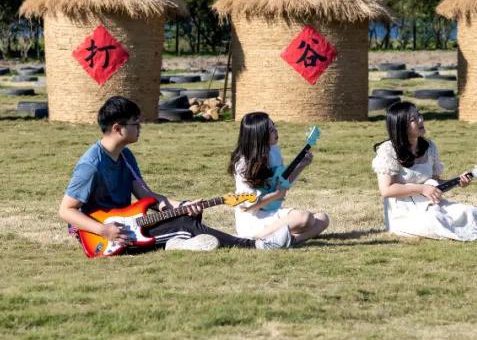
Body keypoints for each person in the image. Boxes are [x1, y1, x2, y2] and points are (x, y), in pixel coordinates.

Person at [59, 96, 292, 253]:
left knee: (189, 217)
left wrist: (184, 203)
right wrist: (104, 230)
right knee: (184, 224)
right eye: (135, 123)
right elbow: (66, 210)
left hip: (129, 219)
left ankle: (177, 242)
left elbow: (146, 195)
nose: (140, 127)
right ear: (118, 128)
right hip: (105, 235)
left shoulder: (126, 157)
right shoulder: (90, 164)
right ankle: (256, 246)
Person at [372, 101, 477, 241]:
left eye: (419, 115)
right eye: (413, 119)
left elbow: (434, 184)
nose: (420, 120)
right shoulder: (388, 150)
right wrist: (422, 188)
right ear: (401, 127)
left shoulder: (429, 147)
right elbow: (387, 190)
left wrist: (457, 182)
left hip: (431, 205)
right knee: (436, 221)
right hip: (403, 213)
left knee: (470, 211)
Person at [227, 112, 330, 243]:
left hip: (273, 212)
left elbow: (281, 182)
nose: (275, 131)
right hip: (253, 219)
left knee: (323, 218)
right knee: (305, 218)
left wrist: (301, 165)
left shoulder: (273, 150)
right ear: (259, 135)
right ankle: (255, 241)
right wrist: (277, 194)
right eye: (270, 129)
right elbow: (247, 206)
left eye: (274, 126)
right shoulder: (243, 163)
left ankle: (286, 241)